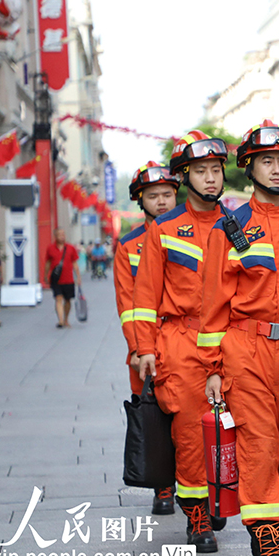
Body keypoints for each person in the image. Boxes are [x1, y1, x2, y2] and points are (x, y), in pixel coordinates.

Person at [200, 120, 279, 556]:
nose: (278, 170)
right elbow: (213, 304)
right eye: (268, 161)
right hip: (246, 349)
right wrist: (213, 368)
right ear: (250, 167)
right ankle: (270, 548)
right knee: (259, 447)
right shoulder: (229, 228)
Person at [135, 131, 229, 553]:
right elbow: (144, 296)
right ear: (185, 177)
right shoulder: (165, 229)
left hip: (232, 341)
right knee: (191, 434)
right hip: (181, 341)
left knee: (233, 429)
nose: (210, 178)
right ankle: (197, 516)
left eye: (216, 170)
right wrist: (145, 349)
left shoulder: (239, 224)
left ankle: (222, 496)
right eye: (201, 171)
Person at [113, 161, 178, 515]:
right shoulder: (128, 246)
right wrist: (138, 348)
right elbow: (127, 304)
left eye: (167, 194)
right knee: (154, 416)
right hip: (146, 344)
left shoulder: (191, 233)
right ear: (141, 201)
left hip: (186, 340)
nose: (162, 201)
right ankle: (162, 484)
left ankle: (202, 487)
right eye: (153, 196)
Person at [43, 228, 81, 328]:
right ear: (55, 236)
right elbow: (48, 263)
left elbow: (75, 263)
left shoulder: (70, 248)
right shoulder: (50, 248)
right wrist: (45, 275)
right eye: (60, 234)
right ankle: (60, 320)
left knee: (68, 300)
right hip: (56, 279)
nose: (62, 236)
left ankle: (66, 319)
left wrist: (78, 277)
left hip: (68, 279)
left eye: (63, 234)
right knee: (58, 298)